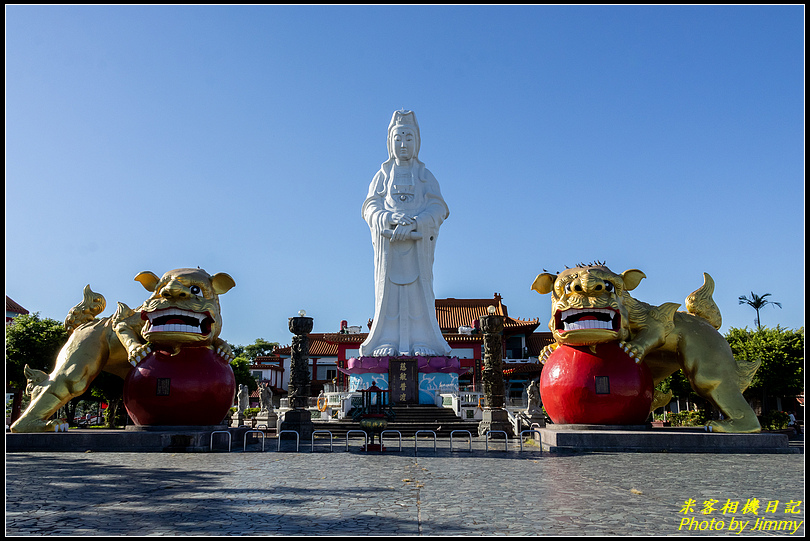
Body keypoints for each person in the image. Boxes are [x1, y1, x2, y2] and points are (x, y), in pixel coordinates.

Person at [359, 110, 451, 358]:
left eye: (409, 138)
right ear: (390, 142)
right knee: (388, 293)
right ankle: (386, 338)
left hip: (417, 246)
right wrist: (389, 218)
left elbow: (439, 207)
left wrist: (417, 222)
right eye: (398, 138)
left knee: (418, 291)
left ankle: (421, 338)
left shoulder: (425, 176)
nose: (403, 144)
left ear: (417, 142)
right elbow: (370, 208)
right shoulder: (382, 176)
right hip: (390, 247)